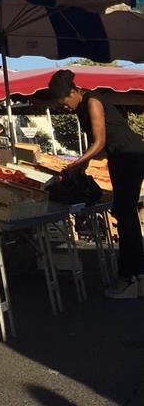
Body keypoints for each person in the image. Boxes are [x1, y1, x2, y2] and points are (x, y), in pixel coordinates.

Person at [49, 68, 144, 299]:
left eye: (65, 101)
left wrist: (75, 164)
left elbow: (99, 141)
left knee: (126, 214)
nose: (64, 106)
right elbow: (96, 144)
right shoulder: (80, 108)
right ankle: (137, 277)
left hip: (130, 155)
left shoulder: (92, 101)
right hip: (119, 157)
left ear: (74, 92)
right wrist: (80, 166)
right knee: (124, 213)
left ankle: (131, 278)